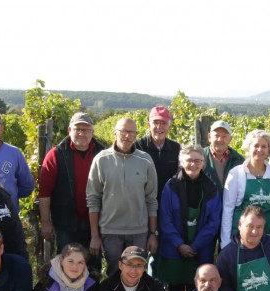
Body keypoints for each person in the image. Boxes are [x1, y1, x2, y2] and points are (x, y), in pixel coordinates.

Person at [86, 117, 159, 275]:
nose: (127, 135)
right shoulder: (101, 160)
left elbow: (151, 199)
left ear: (136, 135)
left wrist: (152, 233)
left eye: (131, 132)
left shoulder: (145, 160)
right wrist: (95, 235)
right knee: (114, 274)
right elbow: (93, 199)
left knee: (137, 274)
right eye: (123, 131)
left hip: (139, 231)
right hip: (110, 231)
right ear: (115, 133)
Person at [39, 112, 107, 271]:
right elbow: (44, 192)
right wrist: (46, 222)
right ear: (69, 130)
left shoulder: (104, 154)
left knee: (92, 268)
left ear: (93, 132)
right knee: (67, 267)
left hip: (96, 224)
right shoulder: (56, 155)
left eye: (86, 129)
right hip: (66, 224)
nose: (82, 133)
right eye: (78, 129)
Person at [158, 145, 222, 291]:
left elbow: (213, 222)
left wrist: (195, 245)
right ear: (181, 162)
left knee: (197, 290)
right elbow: (165, 219)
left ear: (204, 163)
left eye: (198, 161)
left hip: (201, 249)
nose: (193, 164)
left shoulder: (211, 188)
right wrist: (180, 245)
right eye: (189, 160)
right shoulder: (171, 186)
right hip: (174, 248)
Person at [221, 130, 270, 246]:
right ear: (248, 148)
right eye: (256, 146)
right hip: (244, 236)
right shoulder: (236, 173)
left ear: (269, 150)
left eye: (264, 146)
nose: (260, 150)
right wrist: (225, 242)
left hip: (269, 235)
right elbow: (228, 209)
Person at [135, 106, 181, 204]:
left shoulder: (176, 148)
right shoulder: (137, 146)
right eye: (155, 122)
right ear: (148, 125)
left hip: (168, 204)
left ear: (169, 126)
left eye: (163, 123)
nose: (159, 127)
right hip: (142, 204)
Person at [203, 120, 245, 193]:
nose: (220, 140)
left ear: (230, 139)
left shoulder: (239, 160)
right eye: (216, 135)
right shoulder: (199, 157)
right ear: (209, 137)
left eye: (224, 136)